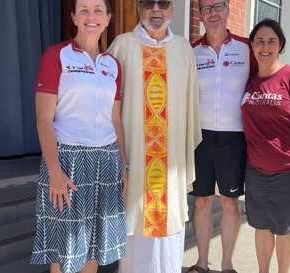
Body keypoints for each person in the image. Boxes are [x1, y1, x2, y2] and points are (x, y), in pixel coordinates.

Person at [30, 0, 127, 272]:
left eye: (98, 10)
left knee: (94, 243)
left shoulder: (114, 65)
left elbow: (116, 120)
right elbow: (43, 119)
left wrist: (123, 166)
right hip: (67, 161)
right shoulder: (57, 55)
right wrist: (54, 171)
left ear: (108, 18)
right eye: (83, 10)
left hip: (107, 160)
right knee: (65, 247)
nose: (91, 16)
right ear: (73, 17)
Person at [108, 0, 202, 273]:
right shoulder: (122, 46)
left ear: (172, 10)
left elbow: (190, 104)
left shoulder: (183, 49)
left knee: (169, 235)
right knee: (134, 228)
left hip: (170, 159)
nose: (156, 10)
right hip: (135, 158)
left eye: (164, 4)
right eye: (149, 3)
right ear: (139, 8)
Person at [241, 18, 290, 273]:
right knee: (262, 226)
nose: (265, 47)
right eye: (260, 41)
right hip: (256, 171)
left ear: (281, 45)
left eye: (271, 41)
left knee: (285, 228)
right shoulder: (250, 81)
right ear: (252, 46)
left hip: (289, 172)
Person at [188, 1, 256, 272]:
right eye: (206, 8)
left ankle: (227, 265)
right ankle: (202, 262)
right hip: (200, 137)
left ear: (228, 9)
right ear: (201, 14)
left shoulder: (246, 48)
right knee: (202, 200)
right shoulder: (191, 51)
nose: (212, 13)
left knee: (230, 203)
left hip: (234, 138)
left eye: (218, 6)